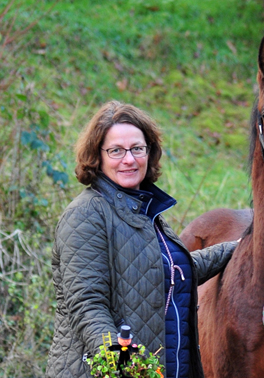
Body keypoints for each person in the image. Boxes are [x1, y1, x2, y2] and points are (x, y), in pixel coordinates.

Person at [46, 101, 238, 378]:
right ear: (96, 155)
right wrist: (120, 360)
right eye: (116, 151)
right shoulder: (87, 213)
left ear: (149, 152)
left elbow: (169, 274)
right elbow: (87, 303)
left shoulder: (145, 211)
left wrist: (239, 248)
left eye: (137, 148)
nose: (129, 159)